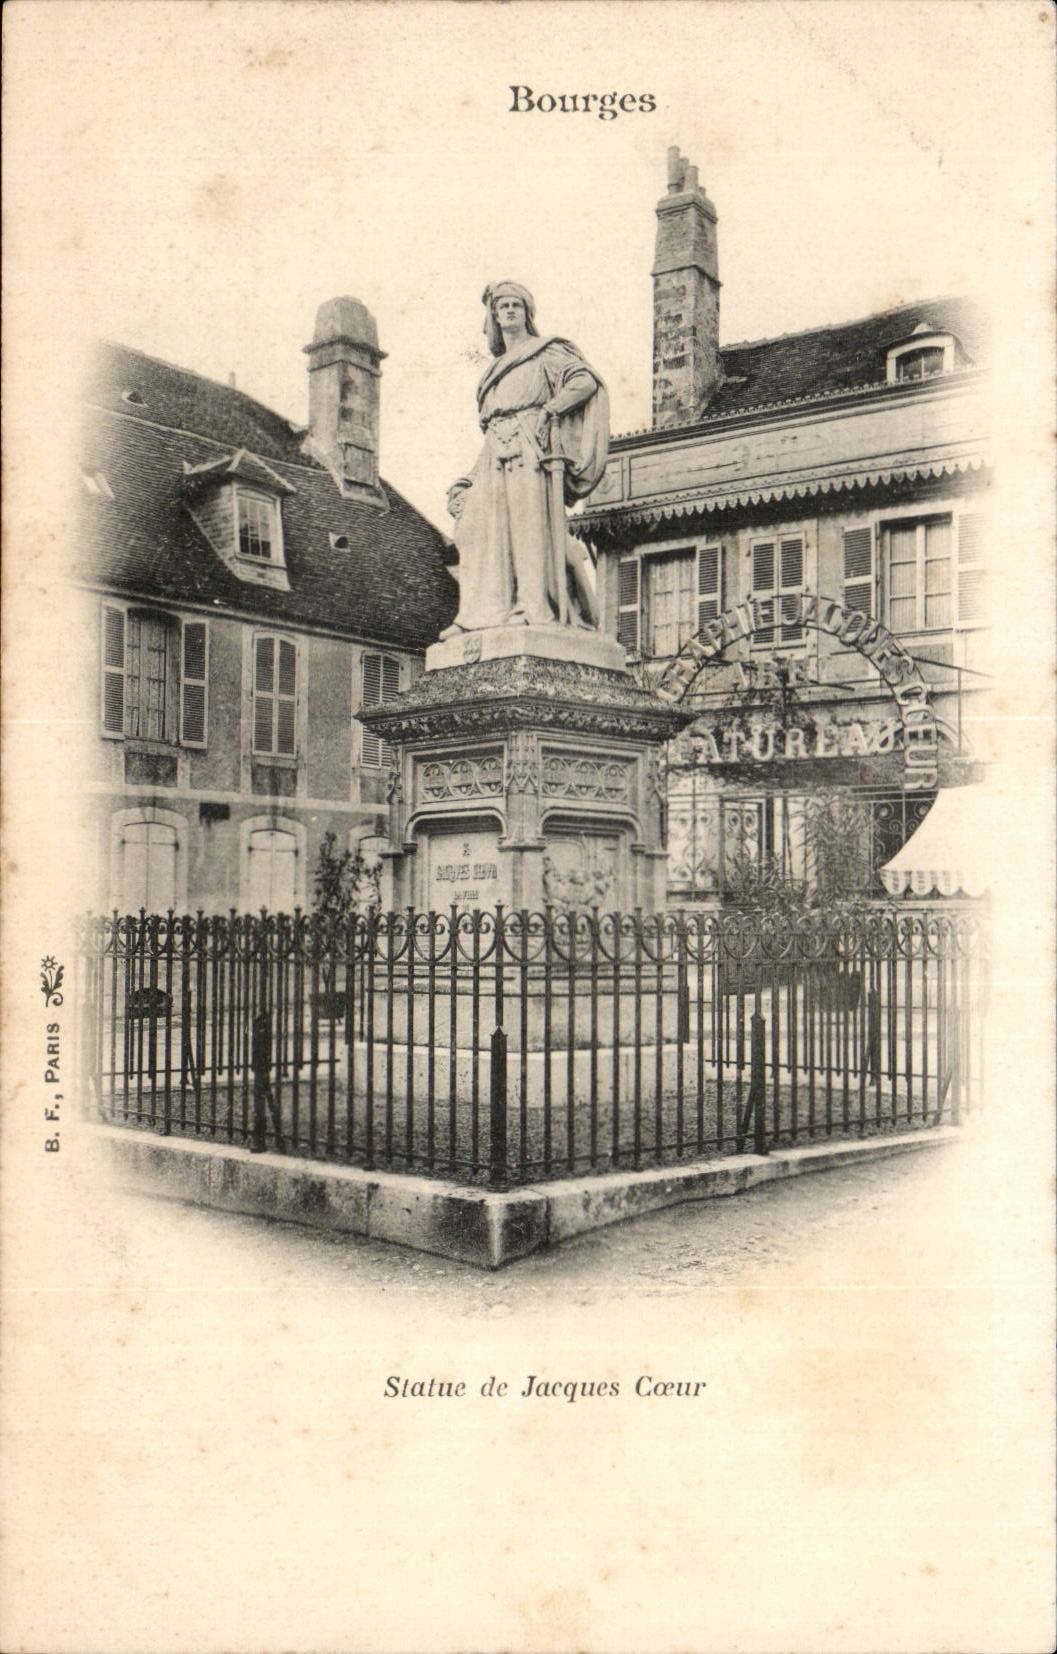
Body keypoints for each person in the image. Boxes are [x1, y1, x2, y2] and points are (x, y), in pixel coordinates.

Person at [442, 281, 609, 636]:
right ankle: (479, 614)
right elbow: (489, 431)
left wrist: (551, 409)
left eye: (516, 304)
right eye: (502, 305)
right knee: (472, 528)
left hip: (529, 444)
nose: (509, 310)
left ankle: (530, 607)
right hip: (494, 452)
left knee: (526, 529)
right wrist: (467, 479)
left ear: (527, 312)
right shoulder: (492, 371)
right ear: (494, 316)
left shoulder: (544, 352)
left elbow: (584, 382)